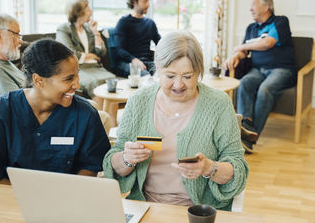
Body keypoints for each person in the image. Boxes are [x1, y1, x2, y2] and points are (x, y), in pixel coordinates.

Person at [103, 31, 248, 211]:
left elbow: (238, 169)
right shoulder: (138, 101)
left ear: (199, 71)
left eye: (188, 76)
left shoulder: (218, 104)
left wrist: (209, 168)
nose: (178, 85)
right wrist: (127, 158)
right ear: (157, 67)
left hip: (199, 212)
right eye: (170, 76)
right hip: (144, 208)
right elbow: (113, 163)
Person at [0, 39, 111, 184]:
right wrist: (29, 197)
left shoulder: (85, 115)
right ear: (38, 80)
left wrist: (65, 195)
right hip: (9, 201)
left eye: (77, 75)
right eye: (68, 79)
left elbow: (90, 165)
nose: (77, 85)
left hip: (66, 200)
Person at [224, 0, 296, 153]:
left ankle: (249, 139)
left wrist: (242, 48)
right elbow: (244, 52)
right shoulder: (251, 28)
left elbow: (268, 43)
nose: (250, 9)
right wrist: (236, 55)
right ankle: (246, 125)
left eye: (254, 5)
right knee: (245, 83)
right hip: (257, 70)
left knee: (265, 89)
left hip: (281, 70)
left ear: (266, 6)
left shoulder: (280, 22)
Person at [56, 0, 116, 101]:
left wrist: (96, 33)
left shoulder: (88, 29)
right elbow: (68, 53)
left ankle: (110, 117)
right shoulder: (64, 29)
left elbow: (101, 52)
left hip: (95, 67)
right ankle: (99, 116)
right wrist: (90, 56)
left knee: (111, 80)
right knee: (94, 83)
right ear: (78, 12)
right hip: (78, 69)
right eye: (88, 9)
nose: (91, 12)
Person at [113, 0, 161, 77]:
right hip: (127, 62)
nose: (148, 4)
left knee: (162, 75)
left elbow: (161, 43)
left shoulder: (150, 23)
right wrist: (133, 60)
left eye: (148, 1)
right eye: (145, 1)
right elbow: (119, 49)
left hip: (147, 61)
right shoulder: (124, 22)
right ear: (135, 2)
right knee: (146, 77)